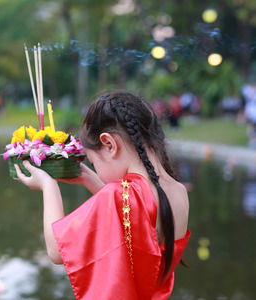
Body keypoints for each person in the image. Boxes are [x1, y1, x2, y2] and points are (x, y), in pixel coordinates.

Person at [14, 91, 190, 299]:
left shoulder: (118, 194)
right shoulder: (178, 192)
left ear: (109, 144)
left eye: (92, 161)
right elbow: (133, 223)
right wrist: (90, 179)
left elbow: (56, 250)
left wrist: (48, 186)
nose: (94, 168)